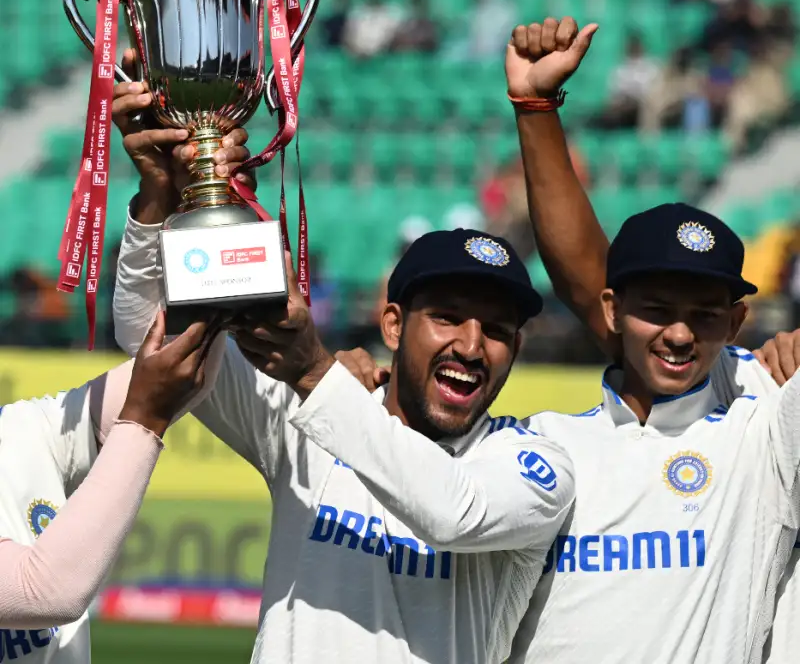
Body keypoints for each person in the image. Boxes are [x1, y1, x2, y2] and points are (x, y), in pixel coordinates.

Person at [109, 108, 575, 661]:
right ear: (393, 324)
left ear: (516, 351)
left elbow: (452, 513)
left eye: (496, 331)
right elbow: (147, 335)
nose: (471, 348)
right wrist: (164, 200)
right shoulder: (307, 412)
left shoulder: (533, 466)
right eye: (448, 318)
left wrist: (316, 374)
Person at [504, 15, 800, 663]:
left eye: (706, 315)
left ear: (737, 324)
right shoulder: (554, 445)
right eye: (657, 308)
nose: (679, 333)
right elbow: (586, 279)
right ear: (615, 310)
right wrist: (535, 107)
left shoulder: (762, 405)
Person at [0, 312, 221, 662]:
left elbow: (178, 368)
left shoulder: (15, 427)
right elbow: (46, 591)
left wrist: (215, 295)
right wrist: (144, 419)